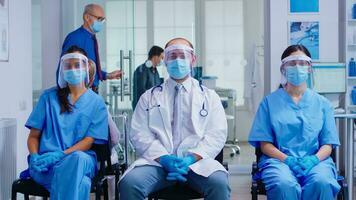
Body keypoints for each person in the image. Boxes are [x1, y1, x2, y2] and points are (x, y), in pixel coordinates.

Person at [119, 38, 230, 200]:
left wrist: (191, 158)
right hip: (157, 164)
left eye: (182, 55)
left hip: (197, 164)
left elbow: (216, 134)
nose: (177, 60)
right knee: (130, 183)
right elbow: (139, 133)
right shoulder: (148, 97)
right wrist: (164, 158)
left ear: (193, 60)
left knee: (219, 183)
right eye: (172, 56)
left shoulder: (209, 97)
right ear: (165, 60)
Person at [248, 44, 340, 200]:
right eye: (292, 63)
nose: (297, 67)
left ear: (310, 68)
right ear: (283, 68)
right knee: (284, 184)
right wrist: (288, 160)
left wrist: (314, 160)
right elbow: (264, 144)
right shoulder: (269, 103)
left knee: (322, 182)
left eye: (302, 63)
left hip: (316, 162)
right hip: (279, 162)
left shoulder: (322, 104)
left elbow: (328, 144)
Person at [25, 45, 108, 200]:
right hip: (46, 164)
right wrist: (35, 156)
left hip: (80, 160)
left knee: (77, 158)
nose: (72, 69)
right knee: (82, 184)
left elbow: (88, 142)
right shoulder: (48, 97)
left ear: (85, 67)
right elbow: (33, 136)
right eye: (68, 65)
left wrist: (60, 155)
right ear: (62, 69)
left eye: (77, 65)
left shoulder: (97, 103)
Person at [59, 3, 122, 93]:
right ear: (87, 18)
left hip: (92, 91)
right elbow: (64, 68)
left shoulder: (92, 38)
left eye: (103, 20)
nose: (101, 22)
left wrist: (107, 75)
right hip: (80, 93)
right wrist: (64, 97)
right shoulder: (75, 38)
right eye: (99, 19)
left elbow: (89, 68)